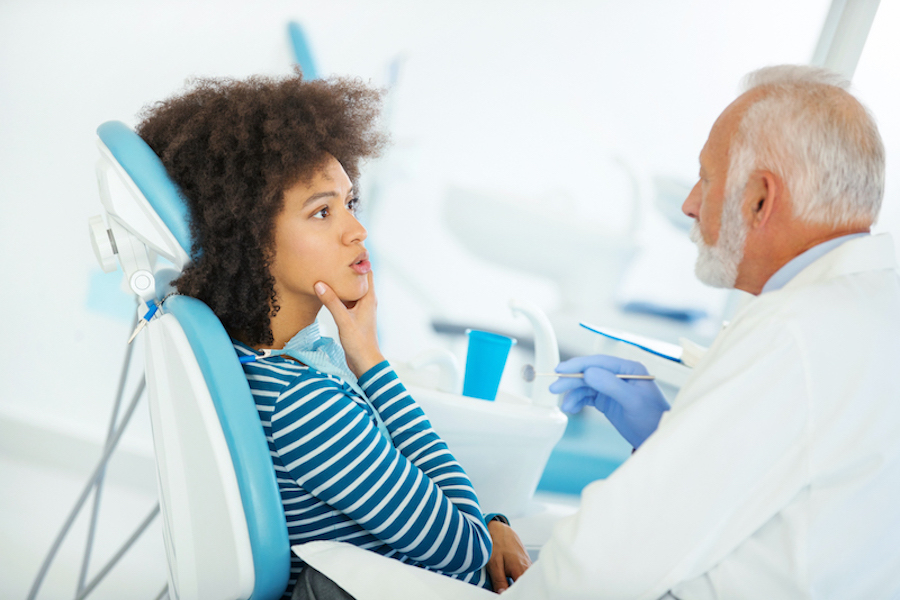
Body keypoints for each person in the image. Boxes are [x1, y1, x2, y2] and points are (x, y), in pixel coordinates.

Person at [510, 64, 900, 598]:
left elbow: (603, 562)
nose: (690, 203)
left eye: (708, 179)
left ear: (761, 199)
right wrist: (673, 438)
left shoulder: (792, 328)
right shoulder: (875, 308)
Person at [136, 73, 530, 599]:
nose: (356, 230)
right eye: (322, 212)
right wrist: (368, 357)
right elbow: (465, 553)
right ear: (252, 242)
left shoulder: (269, 365)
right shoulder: (304, 402)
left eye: (350, 203)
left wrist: (488, 520)